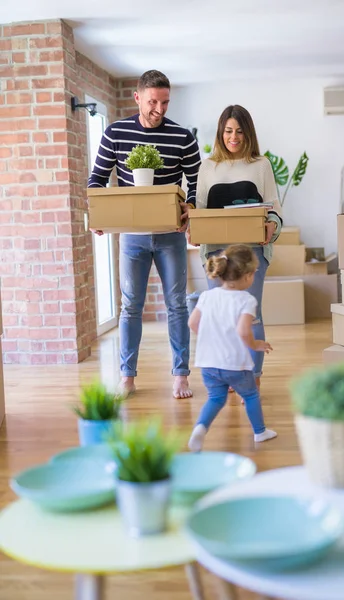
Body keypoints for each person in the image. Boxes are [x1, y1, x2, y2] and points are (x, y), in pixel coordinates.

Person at [88, 70, 201, 399]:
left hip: (170, 235)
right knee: (130, 307)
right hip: (132, 237)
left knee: (177, 305)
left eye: (165, 102)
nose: (160, 108)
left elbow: (196, 183)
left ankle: (181, 374)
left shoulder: (182, 137)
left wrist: (190, 207)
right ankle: (127, 376)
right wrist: (98, 215)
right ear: (137, 97)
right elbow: (97, 178)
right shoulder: (115, 132)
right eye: (153, 101)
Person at [191, 104, 282, 392]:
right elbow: (200, 209)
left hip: (252, 252)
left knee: (250, 314)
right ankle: (232, 374)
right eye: (229, 131)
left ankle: (252, 379)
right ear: (221, 132)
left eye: (240, 131)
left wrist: (272, 225)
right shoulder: (208, 166)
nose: (234, 137)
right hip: (216, 254)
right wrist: (193, 229)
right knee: (221, 316)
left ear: (248, 133)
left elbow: (274, 206)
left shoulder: (261, 164)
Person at [187, 245, 277, 452]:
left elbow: (192, 323)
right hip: (234, 363)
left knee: (216, 398)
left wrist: (211, 338)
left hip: (208, 362)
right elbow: (244, 331)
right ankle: (260, 432)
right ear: (246, 276)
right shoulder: (246, 300)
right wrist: (256, 345)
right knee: (251, 395)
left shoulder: (207, 296)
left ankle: (200, 429)